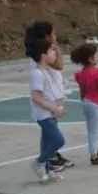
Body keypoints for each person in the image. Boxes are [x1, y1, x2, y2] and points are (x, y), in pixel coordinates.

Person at [25, 22, 74, 169]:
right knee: (53, 136)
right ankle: (45, 159)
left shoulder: (44, 52)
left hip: (51, 98)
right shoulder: (44, 52)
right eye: (54, 33)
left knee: (49, 131)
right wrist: (56, 50)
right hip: (46, 102)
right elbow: (59, 65)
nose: (56, 36)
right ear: (47, 36)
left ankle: (47, 160)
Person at [25, 37, 66, 183]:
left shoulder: (46, 72)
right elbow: (36, 97)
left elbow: (51, 93)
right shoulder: (37, 74)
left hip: (50, 112)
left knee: (47, 142)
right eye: (51, 51)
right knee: (58, 140)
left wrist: (58, 106)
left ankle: (48, 170)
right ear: (43, 56)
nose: (54, 54)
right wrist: (54, 108)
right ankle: (39, 163)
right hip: (43, 114)